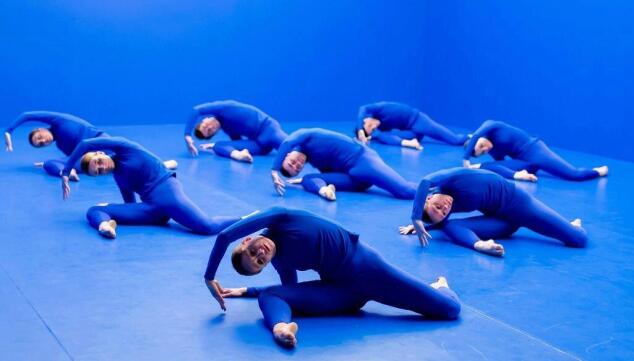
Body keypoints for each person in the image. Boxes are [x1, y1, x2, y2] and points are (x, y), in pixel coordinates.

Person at [204, 206, 461, 348]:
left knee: (449, 309)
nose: (260, 253)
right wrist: (249, 291)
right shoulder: (282, 261)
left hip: (367, 270)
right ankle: (280, 329)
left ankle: (439, 287)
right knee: (272, 295)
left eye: (252, 250)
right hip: (340, 292)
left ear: (249, 238)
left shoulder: (282, 217)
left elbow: (224, 236)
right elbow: (292, 295)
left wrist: (209, 277)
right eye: (259, 261)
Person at [61, 137, 238, 239]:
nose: (102, 167)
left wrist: (66, 171)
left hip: (166, 193)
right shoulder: (119, 177)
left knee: (206, 227)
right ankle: (104, 225)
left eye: (98, 162)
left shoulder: (125, 148)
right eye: (98, 171)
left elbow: (85, 144)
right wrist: (117, 213)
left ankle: (248, 218)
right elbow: (130, 203)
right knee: (94, 209)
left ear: (101, 153)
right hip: (153, 209)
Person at [400, 168, 588, 256]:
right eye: (441, 212)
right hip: (501, 222)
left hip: (519, 205)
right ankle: (479, 245)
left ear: (428, 198)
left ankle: (570, 227)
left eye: (438, 206)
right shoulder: (445, 210)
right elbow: (440, 222)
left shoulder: (447, 180)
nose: (445, 208)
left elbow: (424, 180)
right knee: (448, 226)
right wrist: (423, 227)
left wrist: (416, 217)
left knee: (577, 239)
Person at [271, 128, 416, 201]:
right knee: (307, 179)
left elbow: (287, 142)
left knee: (405, 191)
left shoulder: (306, 135)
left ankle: (433, 188)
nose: (297, 164)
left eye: (292, 162)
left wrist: (274, 170)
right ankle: (325, 191)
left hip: (363, 161)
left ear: (287, 154)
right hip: (355, 180)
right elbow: (328, 172)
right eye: (297, 168)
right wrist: (303, 179)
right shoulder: (314, 160)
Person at [463, 120, 608, 182]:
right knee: (490, 166)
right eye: (482, 152)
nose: (485, 149)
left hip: (535, 150)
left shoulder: (492, 126)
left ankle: (598, 171)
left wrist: (466, 159)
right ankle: (519, 175)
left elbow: (475, 135)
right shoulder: (494, 152)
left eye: (481, 145)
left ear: (479, 138)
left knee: (573, 175)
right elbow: (502, 166)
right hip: (526, 163)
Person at [4, 111, 109, 180]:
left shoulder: (59, 120)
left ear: (40, 129)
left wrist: (9, 130)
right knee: (48, 163)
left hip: (104, 144)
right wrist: (59, 162)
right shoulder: (61, 145)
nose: (44, 140)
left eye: (40, 137)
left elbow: (28, 115)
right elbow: (74, 157)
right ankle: (67, 173)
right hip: (92, 158)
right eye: (41, 144)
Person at [183, 100, 288, 163]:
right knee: (217, 145)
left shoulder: (224, 107)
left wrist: (187, 135)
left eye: (205, 126)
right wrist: (214, 145)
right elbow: (237, 141)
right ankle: (239, 156)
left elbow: (196, 110)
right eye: (210, 132)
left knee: (294, 148)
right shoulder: (227, 129)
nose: (210, 128)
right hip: (258, 145)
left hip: (269, 130)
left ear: (205, 119)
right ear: (214, 133)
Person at [355, 101, 469, 149]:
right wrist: (368, 137)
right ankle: (409, 143)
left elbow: (362, 108)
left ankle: (472, 138)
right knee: (382, 136)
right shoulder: (382, 128)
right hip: (413, 133)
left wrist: (360, 129)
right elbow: (384, 137)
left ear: (365, 120)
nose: (374, 128)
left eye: (369, 126)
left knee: (455, 140)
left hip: (418, 120)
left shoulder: (377, 109)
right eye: (372, 130)